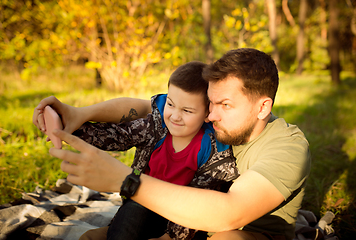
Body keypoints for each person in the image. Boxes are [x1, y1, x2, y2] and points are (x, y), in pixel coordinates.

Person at [33, 48, 311, 240]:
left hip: (239, 230)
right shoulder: (208, 120)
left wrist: (125, 180)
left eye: (225, 105)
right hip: (175, 214)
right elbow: (143, 109)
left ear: (263, 108)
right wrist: (78, 114)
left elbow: (230, 213)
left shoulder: (288, 147)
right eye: (210, 103)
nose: (211, 115)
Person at [34, 61, 239, 240]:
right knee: (131, 213)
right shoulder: (156, 127)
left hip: (183, 220)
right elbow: (118, 135)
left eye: (187, 111)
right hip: (143, 203)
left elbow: (200, 202)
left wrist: (170, 237)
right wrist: (72, 129)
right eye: (170, 104)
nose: (175, 116)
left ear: (206, 114)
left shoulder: (211, 150)